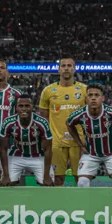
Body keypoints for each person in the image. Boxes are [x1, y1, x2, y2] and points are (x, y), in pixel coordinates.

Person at [66, 84, 112, 188]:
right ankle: (87, 204)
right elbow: (69, 124)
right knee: (82, 183)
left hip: (111, 153)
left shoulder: (111, 112)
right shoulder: (79, 114)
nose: (93, 98)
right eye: (90, 95)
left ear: (102, 98)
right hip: (90, 154)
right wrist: (80, 145)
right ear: (86, 98)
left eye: (97, 95)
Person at [39, 57, 87, 186]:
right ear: (59, 69)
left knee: (81, 179)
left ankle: (83, 205)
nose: (66, 68)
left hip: (79, 143)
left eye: (69, 65)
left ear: (74, 68)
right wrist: (46, 140)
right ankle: (59, 206)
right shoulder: (48, 91)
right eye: (63, 65)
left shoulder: (84, 90)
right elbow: (43, 118)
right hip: (57, 142)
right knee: (58, 179)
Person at [0, 94, 54, 186]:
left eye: (27, 106)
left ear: (32, 107)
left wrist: (46, 176)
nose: (24, 109)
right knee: (6, 183)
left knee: (48, 184)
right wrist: (5, 174)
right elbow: (3, 149)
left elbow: (48, 149)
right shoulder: (8, 122)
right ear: (16, 108)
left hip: (38, 156)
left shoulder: (42, 122)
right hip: (16, 156)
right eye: (21, 106)